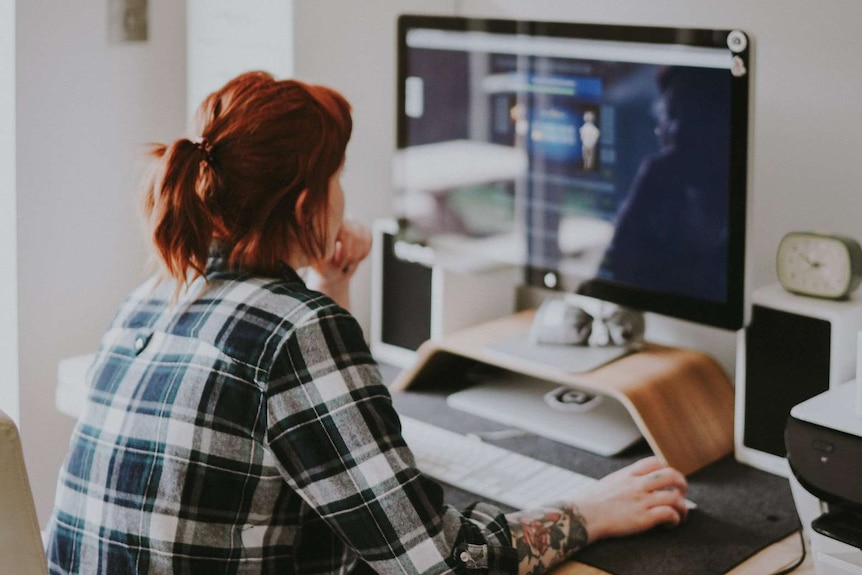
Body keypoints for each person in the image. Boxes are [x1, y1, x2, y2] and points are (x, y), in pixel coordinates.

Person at [45, 71, 689, 575]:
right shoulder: (296, 330)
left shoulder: (157, 292)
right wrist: (591, 512)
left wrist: (333, 286)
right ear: (307, 205)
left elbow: (316, 437)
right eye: (338, 178)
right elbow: (438, 562)